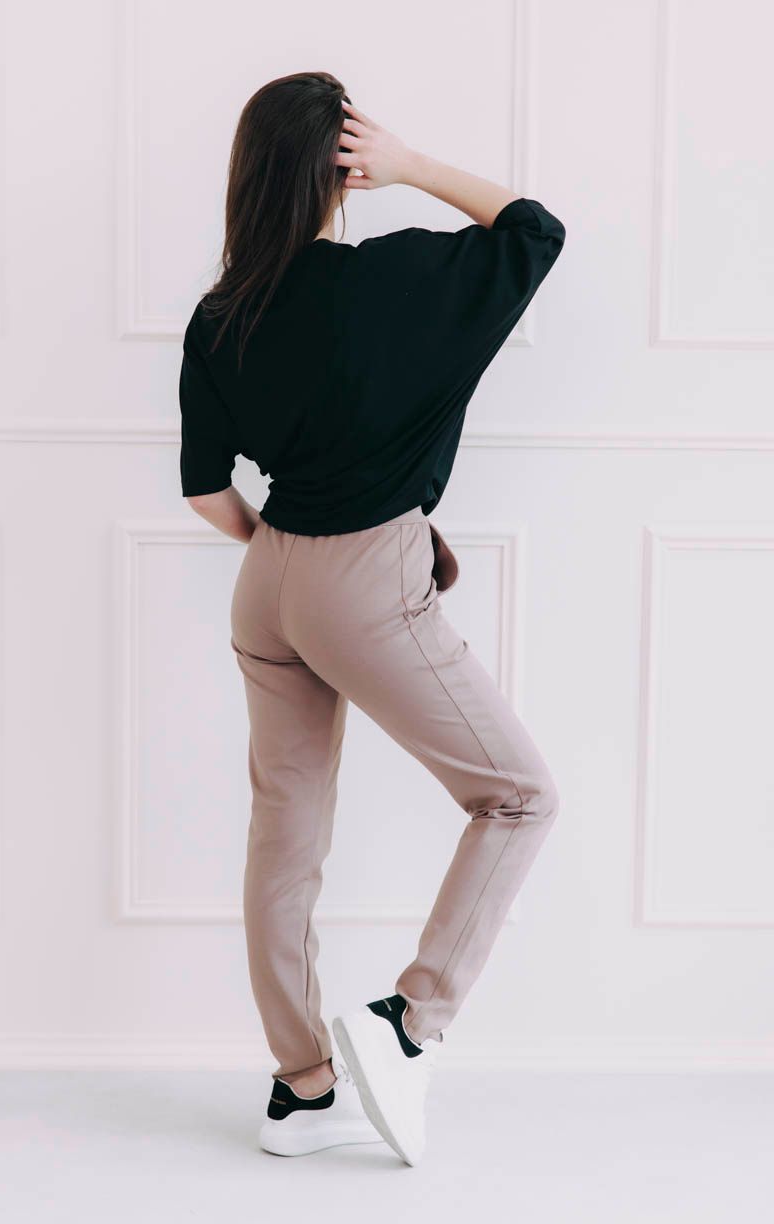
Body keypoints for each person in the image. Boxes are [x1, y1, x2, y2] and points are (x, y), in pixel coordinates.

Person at [179, 71, 566, 1166]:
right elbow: (534, 230)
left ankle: (301, 1088)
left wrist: (289, 562)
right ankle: (408, 1024)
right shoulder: (399, 279)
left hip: (267, 581)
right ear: (343, 169)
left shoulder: (221, 314)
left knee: (285, 838)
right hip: (365, 576)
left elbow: (208, 495)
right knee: (520, 797)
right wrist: (414, 166)